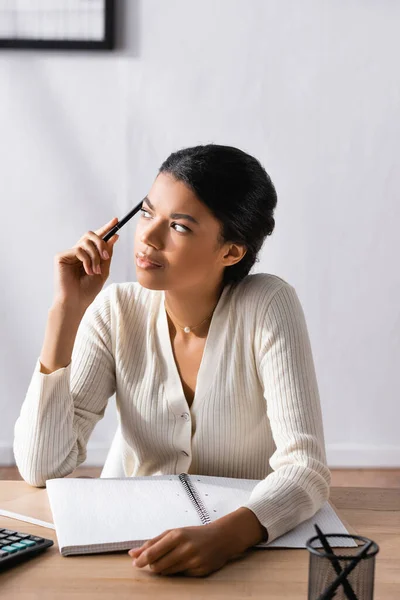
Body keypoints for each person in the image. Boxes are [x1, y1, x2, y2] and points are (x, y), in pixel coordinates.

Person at [13, 144, 331, 577]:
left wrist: (227, 537)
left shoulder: (268, 305)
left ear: (231, 252)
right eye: (147, 213)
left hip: (245, 547)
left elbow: (305, 468)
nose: (149, 236)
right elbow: (41, 467)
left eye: (179, 226)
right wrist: (66, 312)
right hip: (127, 550)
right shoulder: (116, 311)